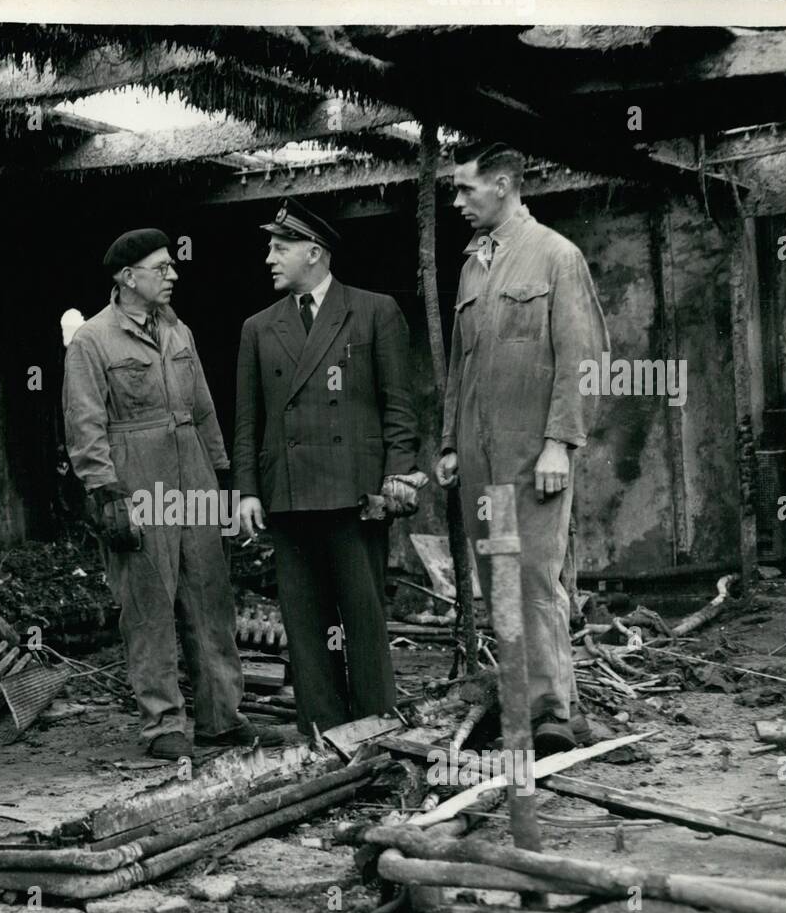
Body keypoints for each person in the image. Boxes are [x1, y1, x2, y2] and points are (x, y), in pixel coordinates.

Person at [63, 228, 282, 759]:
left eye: (170, 266)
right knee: (148, 607)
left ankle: (221, 718)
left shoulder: (177, 331)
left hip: (196, 481)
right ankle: (162, 726)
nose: (173, 274)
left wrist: (224, 475)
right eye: (161, 268)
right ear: (126, 277)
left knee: (212, 601)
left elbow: (202, 407)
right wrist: (105, 493)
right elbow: (84, 423)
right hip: (137, 486)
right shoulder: (92, 340)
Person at [435, 142, 609, 751]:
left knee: (534, 580)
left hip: (533, 455)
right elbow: (461, 364)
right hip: (479, 460)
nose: (456, 201)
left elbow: (583, 359)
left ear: (504, 184)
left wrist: (562, 441)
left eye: (466, 189)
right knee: (497, 579)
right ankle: (527, 703)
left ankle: (551, 714)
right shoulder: (472, 265)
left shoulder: (556, 256)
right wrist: (451, 442)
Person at [233, 198, 427, 737]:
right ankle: (320, 729)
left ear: (313, 253)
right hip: (289, 494)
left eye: (280, 247)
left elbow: (398, 407)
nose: (269, 257)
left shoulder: (374, 310)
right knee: (305, 621)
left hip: (355, 492)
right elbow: (248, 420)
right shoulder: (257, 327)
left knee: (362, 619)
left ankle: (374, 726)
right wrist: (247, 491)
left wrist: (399, 475)